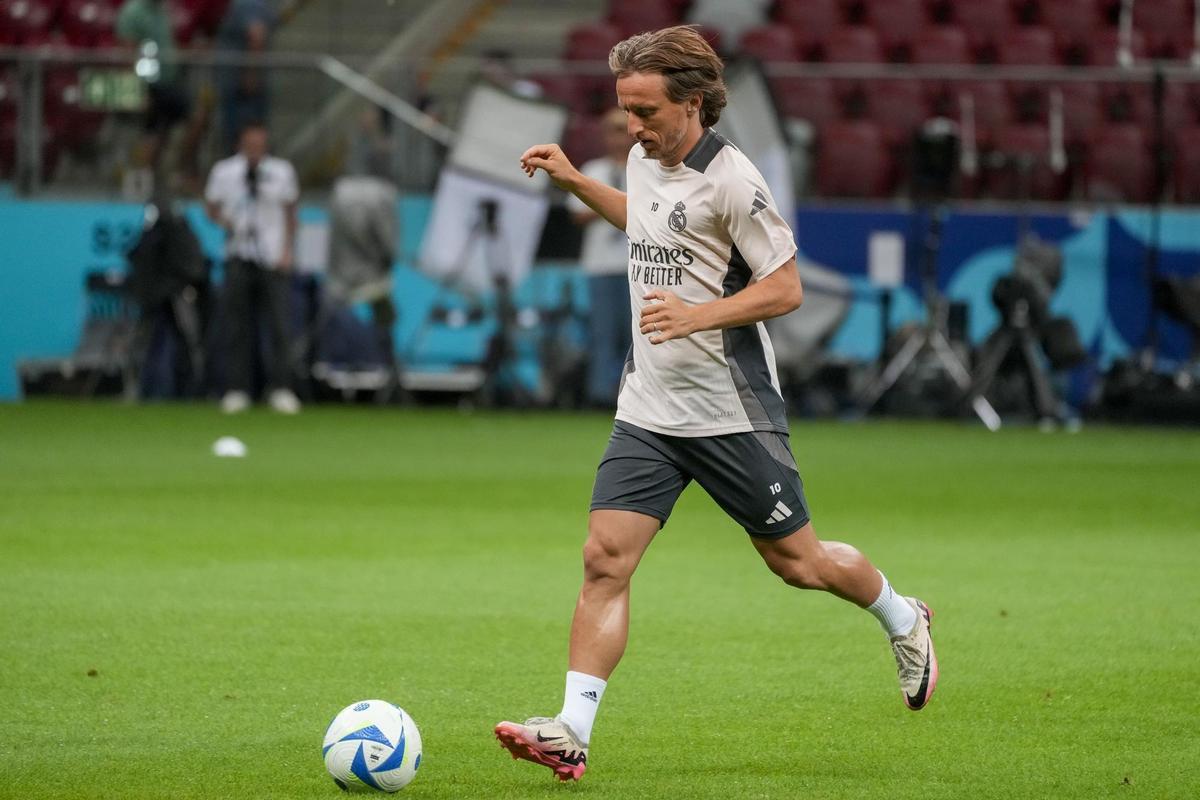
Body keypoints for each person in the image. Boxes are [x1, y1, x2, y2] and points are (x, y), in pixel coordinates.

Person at [494, 26, 938, 783]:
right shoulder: (644, 159)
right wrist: (575, 181)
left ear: (693, 103)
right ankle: (573, 728)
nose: (630, 127)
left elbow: (787, 286)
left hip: (731, 412)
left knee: (798, 563)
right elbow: (648, 226)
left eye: (644, 111)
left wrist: (698, 314)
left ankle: (903, 616)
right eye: (624, 109)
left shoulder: (735, 179)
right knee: (605, 558)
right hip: (650, 409)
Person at [204, 121, 302, 414]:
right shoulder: (224, 172)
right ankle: (237, 389)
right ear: (240, 144)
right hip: (239, 254)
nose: (255, 150)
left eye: (260, 145)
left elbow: (291, 213)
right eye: (250, 145)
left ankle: (282, 388)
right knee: (237, 326)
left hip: (272, 258)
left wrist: (286, 252)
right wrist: (230, 223)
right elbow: (211, 207)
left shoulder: (281, 172)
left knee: (280, 326)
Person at [567, 108, 636, 407]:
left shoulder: (647, 167)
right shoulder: (593, 170)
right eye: (613, 131)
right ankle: (599, 396)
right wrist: (614, 204)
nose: (618, 138)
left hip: (637, 265)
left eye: (624, 130)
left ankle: (633, 397)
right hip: (601, 265)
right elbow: (578, 214)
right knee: (603, 333)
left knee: (635, 337)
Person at [215, 0, 278, 155]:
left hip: (242, 86)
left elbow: (256, 35)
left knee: (242, 137)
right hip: (236, 83)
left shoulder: (248, 3)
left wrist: (251, 73)